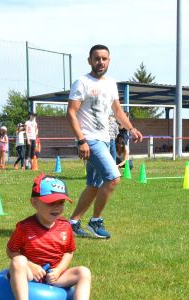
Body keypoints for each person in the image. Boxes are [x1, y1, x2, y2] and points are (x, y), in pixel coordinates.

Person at [66, 44, 143, 239]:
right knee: (113, 177)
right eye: (97, 58)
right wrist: (81, 140)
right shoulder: (81, 83)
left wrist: (131, 128)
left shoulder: (111, 83)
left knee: (94, 184)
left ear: (109, 60)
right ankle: (95, 221)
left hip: (106, 138)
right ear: (89, 60)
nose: (100, 62)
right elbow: (71, 113)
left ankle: (73, 223)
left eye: (104, 58)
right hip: (90, 139)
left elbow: (117, 111)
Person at [7, 173, 91, 300]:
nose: (57, 207)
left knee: (84, 272)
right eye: (51, 202)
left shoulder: (65, 227)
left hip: (54, 276)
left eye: (61, 202)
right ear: (34, 203)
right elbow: (11, 250)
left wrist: (58, 270)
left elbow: (69, 252)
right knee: (18, 261)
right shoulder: (25, 227)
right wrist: (31, 266)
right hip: (30, 274)